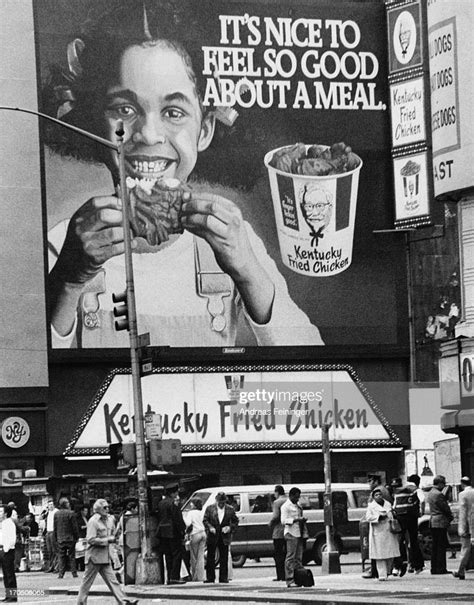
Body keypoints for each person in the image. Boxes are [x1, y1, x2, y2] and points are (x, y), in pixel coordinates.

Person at [43, 1, 324, 350]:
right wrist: (68, 281)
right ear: (96, 124)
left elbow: (315, 365)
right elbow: (27, 377)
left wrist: (250, 272)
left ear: (204, 130)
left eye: (174, 112)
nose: (149, 134)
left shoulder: (235, 241)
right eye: (125, 109)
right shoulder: (62, 247)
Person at [76, 499, 138, 605]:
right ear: (98, 509)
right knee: (86, 583)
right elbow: (90, 539)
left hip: (105, 556)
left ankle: (124, 601)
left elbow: (113, 532)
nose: (107, 509)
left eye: (108, 507)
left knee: (113, 581)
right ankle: (81, 603)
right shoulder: (93, 521)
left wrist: (117, 535)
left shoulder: (110, 519)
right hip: (94, 557)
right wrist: (107, 540)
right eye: (104, 507)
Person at [365, 487, 401, 581]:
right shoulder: (371, 506)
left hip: (389, 530)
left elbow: (392, 514)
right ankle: (382, 574)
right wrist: (379, 517)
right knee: (379, 555)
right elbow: (368, 517)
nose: (379, 496)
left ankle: (388, 571)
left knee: (390, 553)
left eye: (380, 494)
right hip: (378, 532)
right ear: (373, 497)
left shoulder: (388, 504)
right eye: (376, 495)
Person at [203, 492, 239, 584]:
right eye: (220, 502)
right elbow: (205, 520)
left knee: (224, 557)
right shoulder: (210, 508)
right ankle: (210, 577)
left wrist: (229, 528)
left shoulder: (230, 509)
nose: (221, 504)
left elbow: (235, 521)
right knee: (210, 557)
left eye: (223, 502)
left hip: (224, 536)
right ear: (216, 501)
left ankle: (223, 577)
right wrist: (210, 527)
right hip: (213, 535)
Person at [362, 474, 393, 579]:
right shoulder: (383, 490)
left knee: (382, 552)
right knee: (382, 553)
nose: (369, 484)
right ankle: (382, 573)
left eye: (370, 481)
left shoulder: (378, 491)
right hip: (380, 528)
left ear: (375, 481)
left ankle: (379, 571)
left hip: (383, 527)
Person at [155, 489, 186, 585]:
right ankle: (174, 577)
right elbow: (177, 518)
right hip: (173, 532)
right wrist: (182, 530)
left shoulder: (161, 503)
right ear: (173, 493)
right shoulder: (173, 503)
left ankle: (169, 577)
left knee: (168, 555)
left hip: (162, 532)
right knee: (177, 554)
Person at [425, 474, 453, 575]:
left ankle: (434, 567)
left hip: (433, 521)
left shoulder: (431, 493)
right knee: (441, 546)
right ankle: (441, 568)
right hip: (440, 521)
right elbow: (445, 508)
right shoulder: (439, 494)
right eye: (443, 483)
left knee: (435, 546)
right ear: (440, 483)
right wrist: (450, 516)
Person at [281, 487, 307, 588]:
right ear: (291, 496)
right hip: (290, 532)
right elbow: (283, 521)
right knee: (290, 557)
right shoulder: (285, 506)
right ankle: (289, 579)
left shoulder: (298, 505)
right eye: (296, 497)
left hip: (298, 532)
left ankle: (299, 577)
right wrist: (296, 520)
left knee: (298, 557)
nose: (297, 499)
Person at [453, 476, 474, 580]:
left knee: (465, 548)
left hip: (466, 524)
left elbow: (463, 513)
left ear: (462, 484)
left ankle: (461, 570)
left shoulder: (462, 495)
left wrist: (462, 528)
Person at [54, 497, 80, 579]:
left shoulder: (56, 514)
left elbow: (55, 527)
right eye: (68, 503)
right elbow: (74, 527)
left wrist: (56, 537)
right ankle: (74, 573)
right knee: (72, 556)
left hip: (60, 538)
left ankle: (61, 573)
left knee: (61, 556)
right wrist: (77, 536)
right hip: (70, 538)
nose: (69, 504)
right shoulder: (71, 513)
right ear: (66, 504)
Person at [184, 498, 205, 582]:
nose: (191, 505)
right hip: (203, 533)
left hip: (195, 534)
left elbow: (188, 523)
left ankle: (195, 577)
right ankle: (201, 576)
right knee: (201, 556)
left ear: (195, 504)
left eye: (192, 503)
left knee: (194, 557)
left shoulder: (190, 513)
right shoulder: (201, 512)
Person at [269, 485, 287, 582]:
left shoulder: (277, 502)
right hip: (288, 530)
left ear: (277, 492)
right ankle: (287, 574)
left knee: (278, 554)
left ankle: (280, 575)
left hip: (279, 531)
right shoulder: (288, 500)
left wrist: (270, 523)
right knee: (287, 554)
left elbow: (275, 516)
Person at [0, 505, 18, 602]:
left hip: (8, 551)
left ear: (6, 513)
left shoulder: (9, 523)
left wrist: (6, 550)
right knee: (6, 575)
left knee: (10, 574)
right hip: (2, 550)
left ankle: (13, 596)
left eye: (1, 512)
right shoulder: (2, 523)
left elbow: (12, 539)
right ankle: (8, 595)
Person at [42, 499, 58, 572]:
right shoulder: (48, 513)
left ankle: (56, 567)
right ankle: (51, 566)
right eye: (49, 505)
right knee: (50, 550)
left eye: (51, 504)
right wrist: (45, 511)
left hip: (53, 532)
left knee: (55, 550)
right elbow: (41, 518)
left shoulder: (56, 512)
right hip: (48, 532)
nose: (50, 506)